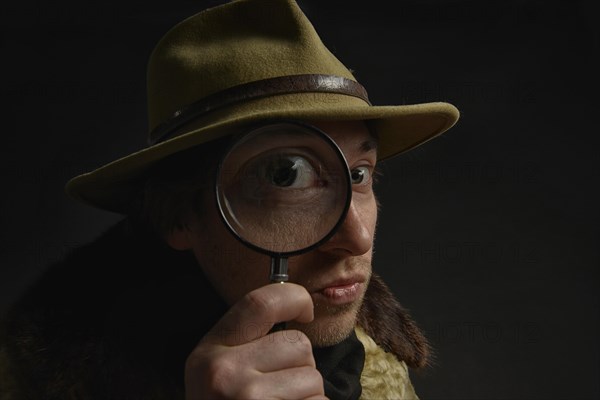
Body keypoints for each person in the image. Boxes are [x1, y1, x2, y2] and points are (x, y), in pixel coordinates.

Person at [0, 0, 459, 398]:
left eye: (360, 174)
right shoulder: (26, 382)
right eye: (286, 175)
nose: (356, 238)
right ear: (178, 215)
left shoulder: (377, 367)